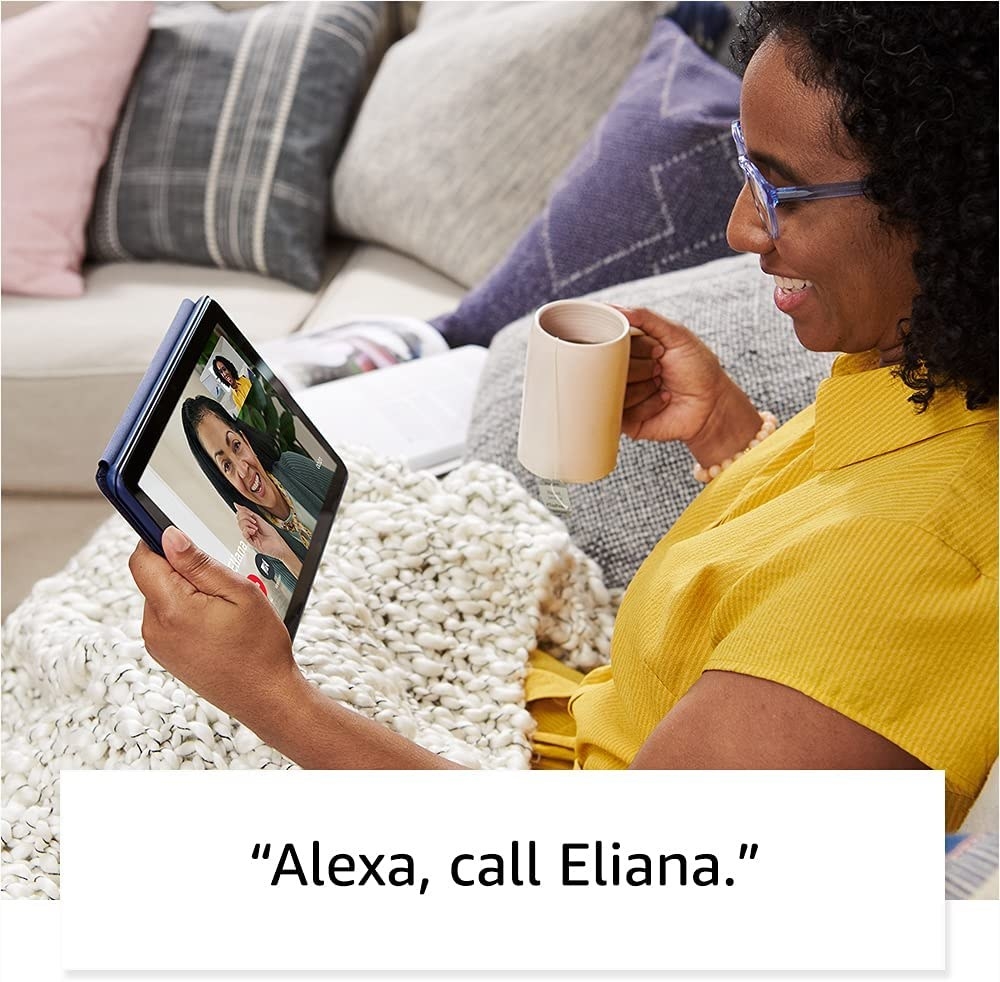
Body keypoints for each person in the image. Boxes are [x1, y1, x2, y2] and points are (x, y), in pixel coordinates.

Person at [130, 4, 996, 830]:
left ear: (945, 205)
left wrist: (267, 694)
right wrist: (725, 435)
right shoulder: (914, 375)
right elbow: (804, 555)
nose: (740, 228)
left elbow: (617, 888)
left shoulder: (912, 576)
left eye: (783, 191)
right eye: (746, 167)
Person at [180, 395, 336, 578]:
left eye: (236, 446)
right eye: (227, 466)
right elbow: (311, 602)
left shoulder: (294, 467)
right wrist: (285, 554)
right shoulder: (262, 541)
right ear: (224, 479)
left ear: (245, 440)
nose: (243, 470)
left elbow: (356, 497)